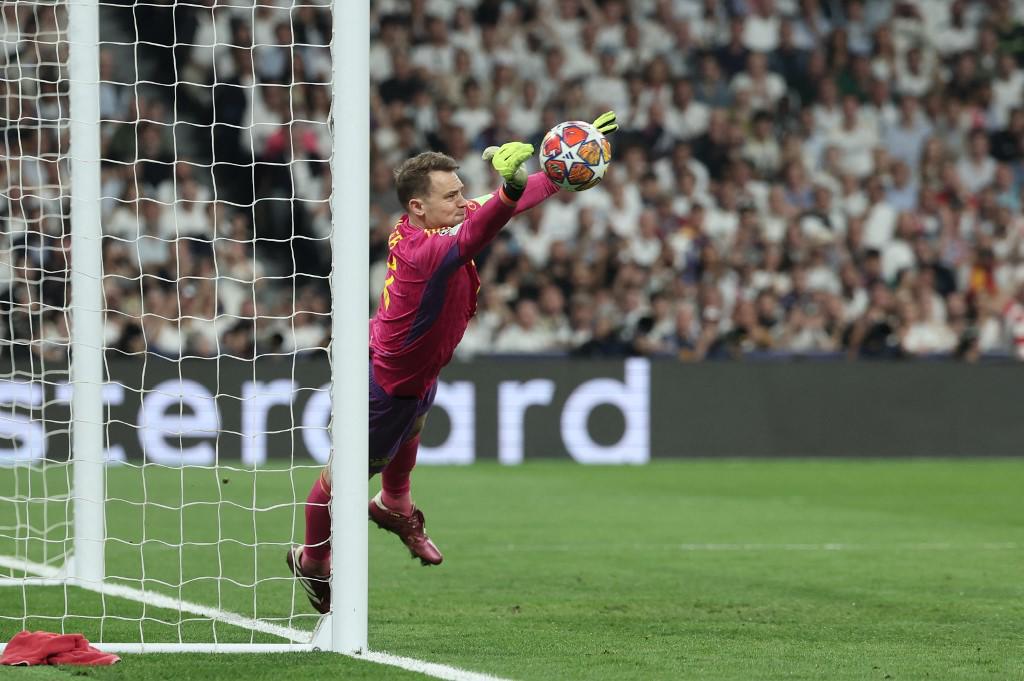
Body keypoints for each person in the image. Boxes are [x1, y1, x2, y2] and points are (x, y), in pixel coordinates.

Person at [287, 112, 619, 614]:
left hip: (416, 372)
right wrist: (506, 192)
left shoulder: (434, 225)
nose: (463, 201)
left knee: (415, 429)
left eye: (463, 190)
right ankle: (312, 560)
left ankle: (395, 505)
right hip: (386, 385)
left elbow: (492, 206)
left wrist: (563, 160)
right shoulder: (426, 249)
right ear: (418, 207)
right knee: (342, 481)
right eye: (451, 196)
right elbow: (481, 227)